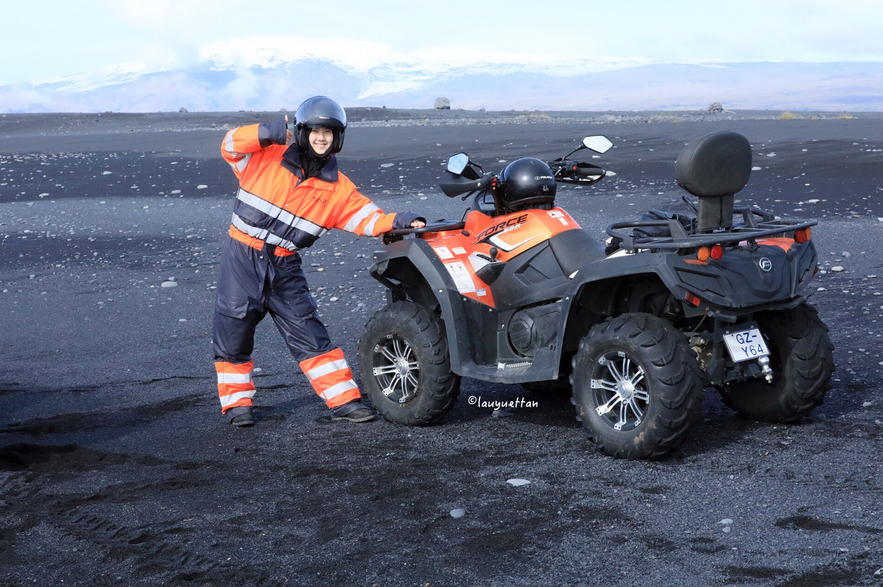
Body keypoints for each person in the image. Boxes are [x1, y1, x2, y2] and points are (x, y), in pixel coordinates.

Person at [213, 96, 425, 427]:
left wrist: (399, 221)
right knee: (233, 330)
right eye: (314, 130)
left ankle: (344, 401)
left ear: (337, 138)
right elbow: (229, 145)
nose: (321, 137)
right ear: (301, 131)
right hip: (241, 256)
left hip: (285, 266)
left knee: (310, 334)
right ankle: (237, 404)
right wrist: (265, 132)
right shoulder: (262, 158)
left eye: (328, 131)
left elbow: (367, 219)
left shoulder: (339, 189)